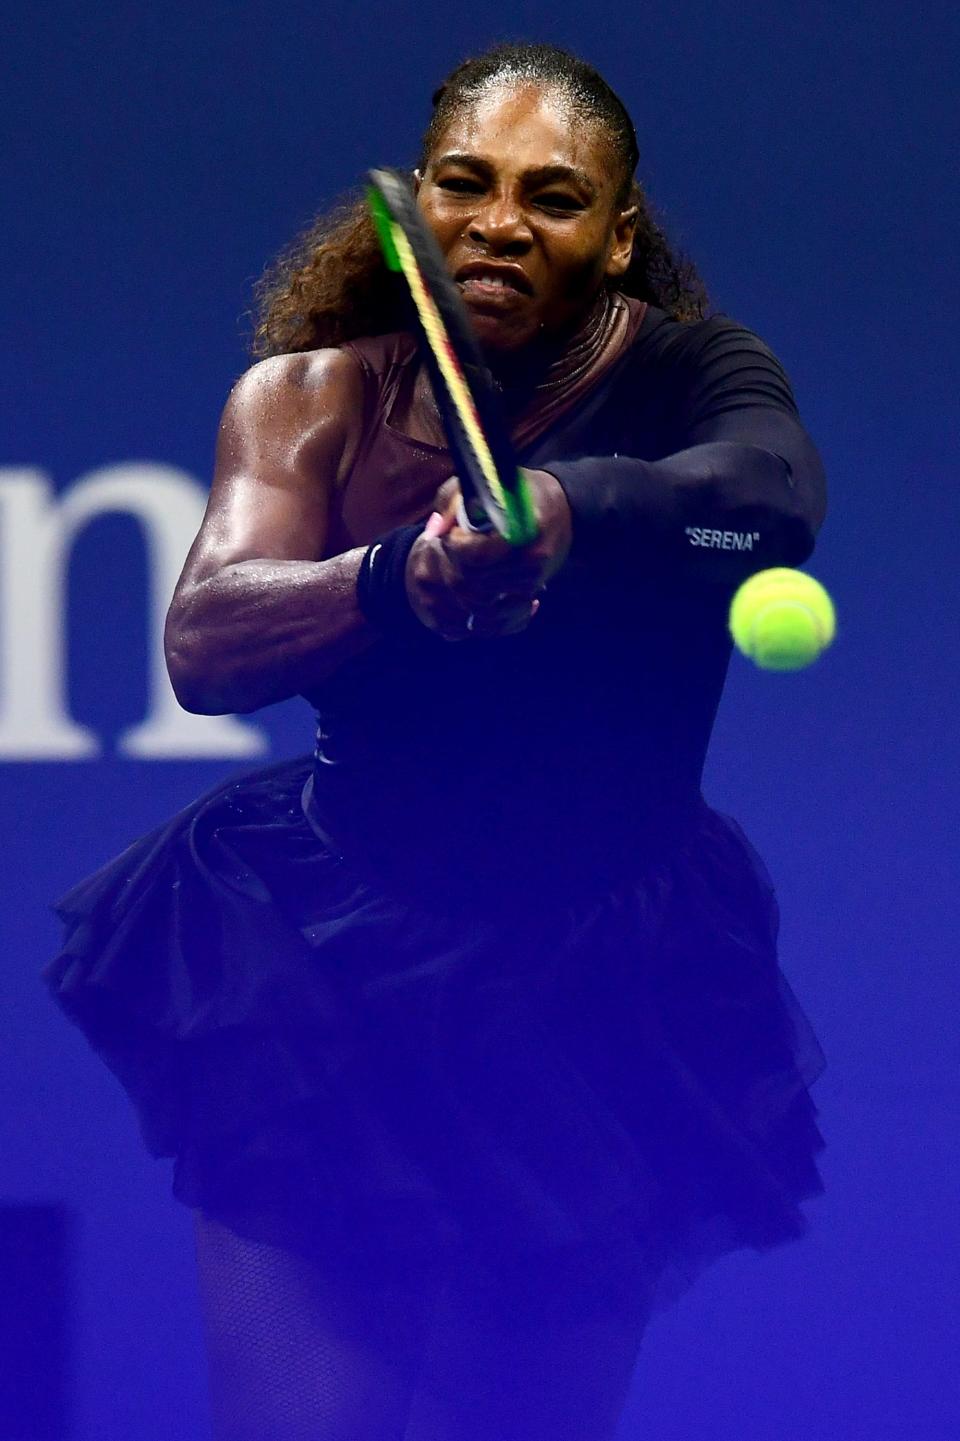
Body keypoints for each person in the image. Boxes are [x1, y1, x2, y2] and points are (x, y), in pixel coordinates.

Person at [46, 41, 827, 1441]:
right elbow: (205, 639)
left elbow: (764, 500)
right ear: (420, 198)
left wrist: (568, 512)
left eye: (554, 194)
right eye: (465, 183)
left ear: (618, 233)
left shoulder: (702, 371)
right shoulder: (309, 397)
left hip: (608, 985)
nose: (501, 220)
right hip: (321, 972)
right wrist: (394, 578)